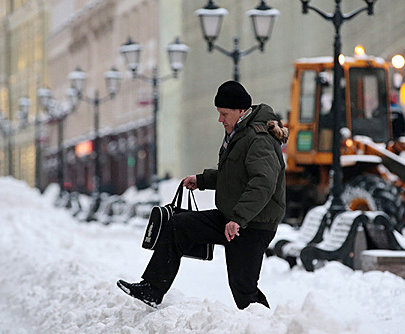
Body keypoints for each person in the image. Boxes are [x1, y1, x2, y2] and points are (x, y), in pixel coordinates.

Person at [117, 80, 288, 310]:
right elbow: (235, 175)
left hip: (253, 224)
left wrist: (238, 219)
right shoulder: (240, 132)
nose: (220, 119)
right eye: (219, 113)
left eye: (224, 113)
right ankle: (152, 289)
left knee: (243, 289)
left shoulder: (258, 139)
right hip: (232, 217)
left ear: (240, 111)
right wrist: (202, 180)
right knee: (178, 225)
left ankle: (267, 326)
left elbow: (263, 183)